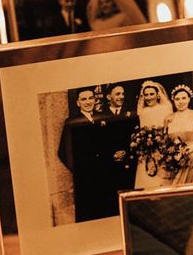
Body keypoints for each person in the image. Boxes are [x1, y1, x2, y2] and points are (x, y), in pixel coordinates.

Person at [58, 85, 135, 222]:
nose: (88, 102)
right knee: (88, 211)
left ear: (95, 100)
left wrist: (114, 155)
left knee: (105, 209)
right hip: (85, 176)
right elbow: (63, 152)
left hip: (104, 173)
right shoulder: (72, 123)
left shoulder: (102, 118)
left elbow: (108, 144)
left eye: (90, 98)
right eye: (84, 99)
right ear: (78, 103)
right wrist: (78, 169)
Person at [165, 84, 193, 184]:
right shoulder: (168, 118)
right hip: (174, 160)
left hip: (191, 157)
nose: (181, 102)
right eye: (177, 99)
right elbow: (166, 140)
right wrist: (171, 154)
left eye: (184, 98)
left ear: (189, 99)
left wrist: (188, 149)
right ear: (173, 100)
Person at [133, 80, 173, 190]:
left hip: (161, 149)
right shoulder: (143, 111)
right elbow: (142, 130)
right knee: (146, 177)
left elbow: (169, 129)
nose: (148, 97)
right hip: (146, 151)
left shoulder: (166, 108)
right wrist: (143, 142)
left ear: (158, 95)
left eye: (152, 94)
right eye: (146, 95)